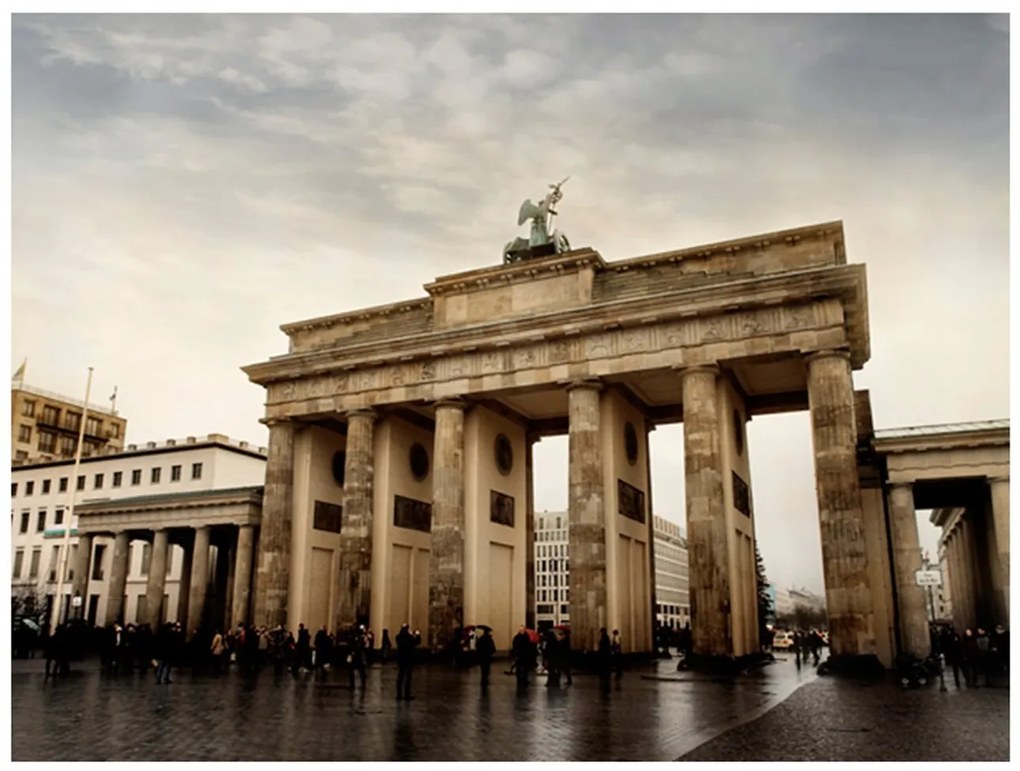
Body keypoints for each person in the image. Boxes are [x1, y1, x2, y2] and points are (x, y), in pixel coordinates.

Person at [395, 624, 421, 700]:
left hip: (400, 659)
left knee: (400, 677)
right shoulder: (409, 638)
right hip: (408, 659)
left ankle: (399, 695)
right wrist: (417, 635)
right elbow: (417, 642)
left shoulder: (398, 637)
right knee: (408, 677)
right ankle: (407, 695)